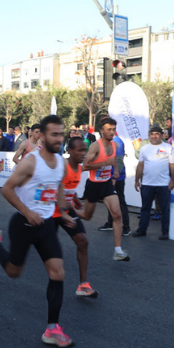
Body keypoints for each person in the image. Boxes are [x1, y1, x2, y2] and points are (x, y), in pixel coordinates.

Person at [0, 115, 76, 348]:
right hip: (23, 224)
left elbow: (58, 186)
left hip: (45, 225)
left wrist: (62, 212)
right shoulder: (31, 162)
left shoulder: (60, 162)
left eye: (61, 134)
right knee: (14, 272)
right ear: (41, 136)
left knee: (58, 273)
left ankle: (52, 329)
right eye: (54, 134)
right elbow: (7, 189)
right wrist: (27, 211)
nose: (59, 138)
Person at [76, 117, 130, 262]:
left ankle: (117, 251)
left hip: (106, 184)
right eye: (108, 129)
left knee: (117, 215)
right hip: (93, 184)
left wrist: (116, 172)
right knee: (87, 216)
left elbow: (114, 160)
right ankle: (68, 211)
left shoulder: (114, 145)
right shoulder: (95, 146)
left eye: (113, 129)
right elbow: (85, 166)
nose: (112, 132)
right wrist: (103, 163)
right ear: (102, 131)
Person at [51, 136, 97, 298]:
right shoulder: (62, 166)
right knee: (48, 253)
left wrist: (75, 199)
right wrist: (64, 212)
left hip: (66, 210)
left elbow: (69, 188)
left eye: (84, 150)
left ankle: (83, 285)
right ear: (69, 151)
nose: (83, 154)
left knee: (83, 241)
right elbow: (56, 189)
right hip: (52, 212)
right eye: (79, 151)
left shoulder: (79, 167)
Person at [132, 125, 174, 240]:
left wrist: (173, 180)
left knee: (164, 209)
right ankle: (142, 230)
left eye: (157, 134)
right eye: (152, 134)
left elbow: (173, 165)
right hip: (147, 183)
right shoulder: (144, 148)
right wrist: (137, 180)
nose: (154, 136)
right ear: (149, 135)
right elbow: (140, 165)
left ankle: (165, 231)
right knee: (145, 208)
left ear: (161, 135)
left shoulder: (168, 147)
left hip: (163, 184)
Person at [98, 133, 131, 235]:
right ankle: (110, 222)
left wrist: (115, 177)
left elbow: (120, 161)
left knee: (120, 201)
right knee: (109, 199)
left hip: (117, 178)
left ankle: (126, 227)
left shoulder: (116, 141)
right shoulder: (106, 140)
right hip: (108, 176)